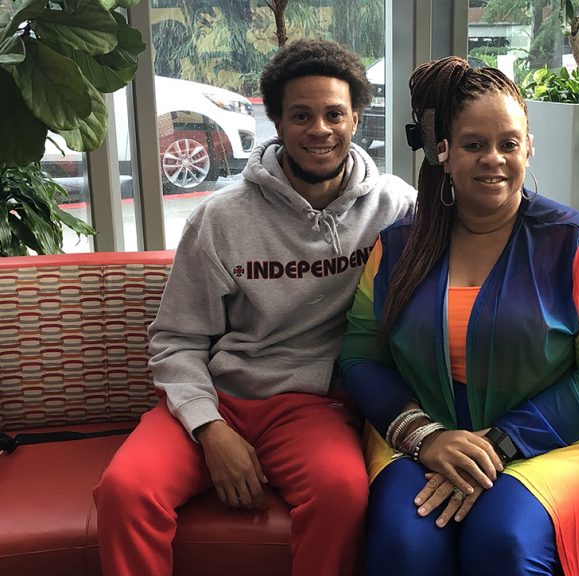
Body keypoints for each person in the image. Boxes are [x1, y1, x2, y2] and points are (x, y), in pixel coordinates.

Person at [93, 38, 415, 576]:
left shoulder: (394, 206)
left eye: (334, 114)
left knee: (341, 495)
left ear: (356, 119)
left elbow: (469, 235)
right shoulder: (221, 219)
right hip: (220, 395)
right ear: (278, 122)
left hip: (313, 405)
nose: (319, 129)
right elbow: (176, 338)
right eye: (301, 115)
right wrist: (209, 428)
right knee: (125, 491)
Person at [339, 56, 579, 576]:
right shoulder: (398, 247)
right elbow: (359, 358)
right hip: (424, 430)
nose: (493, 159)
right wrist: (426, 437)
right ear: (444, 152)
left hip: (554, 440)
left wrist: (500, 442)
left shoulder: (576, 244)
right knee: (406, 542)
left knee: (504, 540)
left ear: (528, 147)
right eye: (474, 144)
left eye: (508, 143)